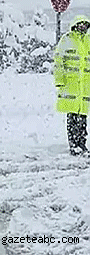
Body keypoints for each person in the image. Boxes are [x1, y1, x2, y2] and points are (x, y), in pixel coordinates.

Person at [54, 15, 90, 156]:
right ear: (75, 25)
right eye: (80, 24)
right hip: (71, 85)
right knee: (72, 116)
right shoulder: (67, 40)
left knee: (82, 117)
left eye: (85, 24)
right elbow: (59, 61)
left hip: (85, 87)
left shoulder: (88, 40)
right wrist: (60, 80)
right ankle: (74, 145)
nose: (82, 26)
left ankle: (82, 144)